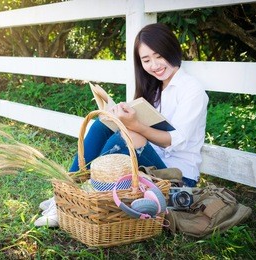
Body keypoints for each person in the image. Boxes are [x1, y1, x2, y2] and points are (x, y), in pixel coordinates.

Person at [34, 23, 209, 227]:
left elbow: (174, 142)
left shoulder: (191, 90)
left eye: (159, 56)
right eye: (146, 60)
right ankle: (64, 194)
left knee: (128, 137)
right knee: (103, 125)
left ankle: (71, 201)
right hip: (149, 165)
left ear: (172, 50)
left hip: (177, 178)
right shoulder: (154, 88)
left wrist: (134, 125)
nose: (154, 65)